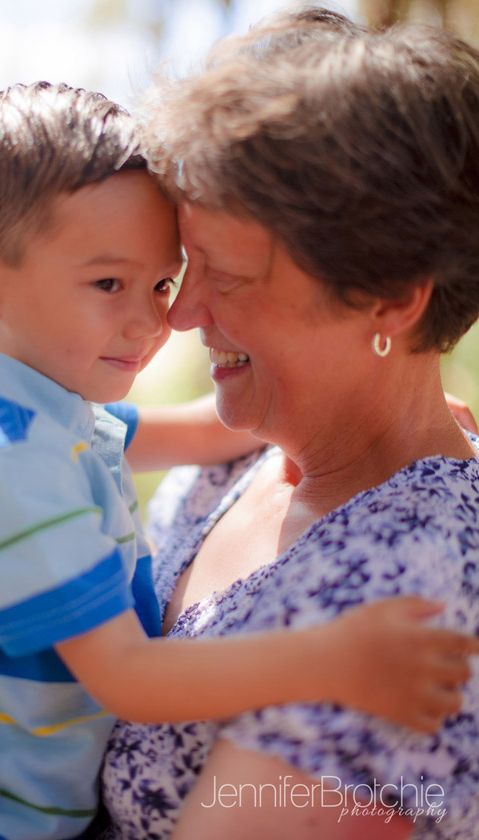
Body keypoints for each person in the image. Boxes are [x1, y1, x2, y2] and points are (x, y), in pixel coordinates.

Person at [0, 80, 469, 840]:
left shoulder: (45, 412)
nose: (161, 319)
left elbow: (201, 430)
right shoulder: (6, 460)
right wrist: (335, 659)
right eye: (108, 283)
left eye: (166, 280)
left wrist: (395, 414)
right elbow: (127, 677)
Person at [90, 9, 479, 840]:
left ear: (391, 294)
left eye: (227, 275)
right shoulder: (241, 452)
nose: (183, 312)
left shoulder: (413, 583)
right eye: (186, 265)